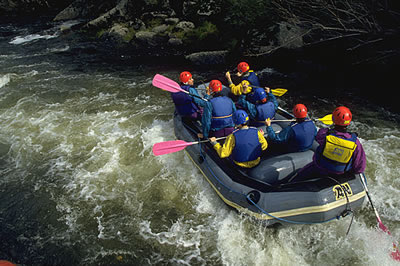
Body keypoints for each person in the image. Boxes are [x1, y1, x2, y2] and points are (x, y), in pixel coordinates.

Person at [291, 106, 366, 181]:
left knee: (297, 177)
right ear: (348, 122)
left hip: (319, 169)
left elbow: (317, 137)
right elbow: (359, 167)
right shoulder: (356, 142)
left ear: (333, 120)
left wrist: (330, 127)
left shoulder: (324, 134)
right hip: (340, 174)